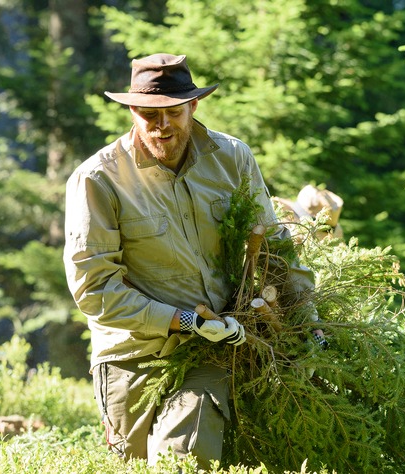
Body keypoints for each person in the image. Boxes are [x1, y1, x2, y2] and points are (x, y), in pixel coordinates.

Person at [63, 53, 316, 470]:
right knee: (132, 463)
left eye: (173, 113)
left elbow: (275, 246)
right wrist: (183, 320)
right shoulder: (97, 179)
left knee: (183, 457)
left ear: (193, 106)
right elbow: (94, 290)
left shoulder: (231, 157)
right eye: (148, 114)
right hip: (131, 355)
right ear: (131, 110)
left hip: (211, 347)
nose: (162, 126)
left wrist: (310, 324)